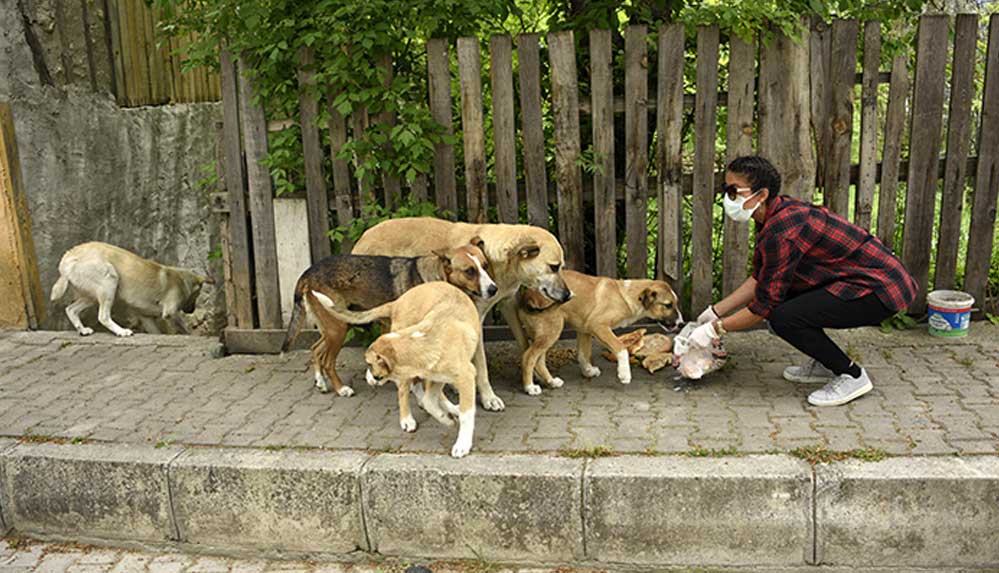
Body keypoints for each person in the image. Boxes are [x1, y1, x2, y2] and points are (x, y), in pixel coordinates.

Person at [687, 156, 918, 406]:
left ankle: (852, 375)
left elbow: (763, 306)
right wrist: (714, 312)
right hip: (855, 281)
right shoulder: (774, 215)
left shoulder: (782, 230)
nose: (727, 197)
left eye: (734, 191)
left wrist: (714, 329)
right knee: (783, 304)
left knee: (782, 317)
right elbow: (761, 277)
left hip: (880, 291)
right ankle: (823, 361)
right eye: (725, 189)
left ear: (761, 195)